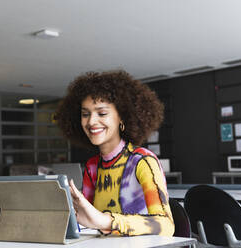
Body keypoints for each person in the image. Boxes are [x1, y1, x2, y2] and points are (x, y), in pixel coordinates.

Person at [55, 70, 174, 236]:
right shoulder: (92, 166)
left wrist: (108, 221)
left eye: (102, 113)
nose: (91, 121)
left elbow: (166, 225)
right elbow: (89, 219)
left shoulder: (142, 161)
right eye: (85, 114)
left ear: (122, 118)